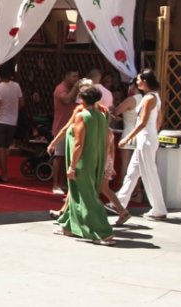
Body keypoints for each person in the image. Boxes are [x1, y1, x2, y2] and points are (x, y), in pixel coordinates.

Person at [55, 85, 116, 245]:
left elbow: (78, 144)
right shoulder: (101, 116)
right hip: (95, 159)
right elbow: (104, 141)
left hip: (82, 161)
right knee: (76, 193)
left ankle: (103, 233)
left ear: (82, 99)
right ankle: (68, 225)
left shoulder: (82, 116)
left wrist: (72, 166)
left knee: (87, 197)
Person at [115, 69, 167, 221]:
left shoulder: (148, 98)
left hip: (145, 138)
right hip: (147, 138)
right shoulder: (154, 97)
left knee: (149, 174)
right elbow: (159, 119)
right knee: (132, 172)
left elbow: (143, 122)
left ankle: (158, 209)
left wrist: (127, 138)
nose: (137, 83)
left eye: (138, 80)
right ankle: (120, 201)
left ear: (145, 81)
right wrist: (153, 133)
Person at [0, 60, 23, 183]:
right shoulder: (16, 86)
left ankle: (4, 173)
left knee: (0, 147)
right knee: (6, 147)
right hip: (12, 121)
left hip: (1, 120)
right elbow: (21, 103)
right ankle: (2, 171)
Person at [51, 69, 81, 194]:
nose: (76, 79)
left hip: (72, 128)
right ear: (66, 76)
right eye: (74, 76)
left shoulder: (75, 90)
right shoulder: (60, 89)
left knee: (68, 158)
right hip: (61, 128)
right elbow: (67, 99)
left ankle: (63, 183)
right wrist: (75, 87)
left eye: (77, 77)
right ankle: (55, 184)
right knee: (59, 156)